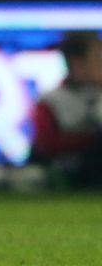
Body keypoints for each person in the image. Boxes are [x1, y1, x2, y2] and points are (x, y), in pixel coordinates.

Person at [30, 31, 102, 189]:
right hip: (66, 175)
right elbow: (45, 145)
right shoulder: (52, 100)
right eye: (97, 58)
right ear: (77, 63)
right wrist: (90, 141)